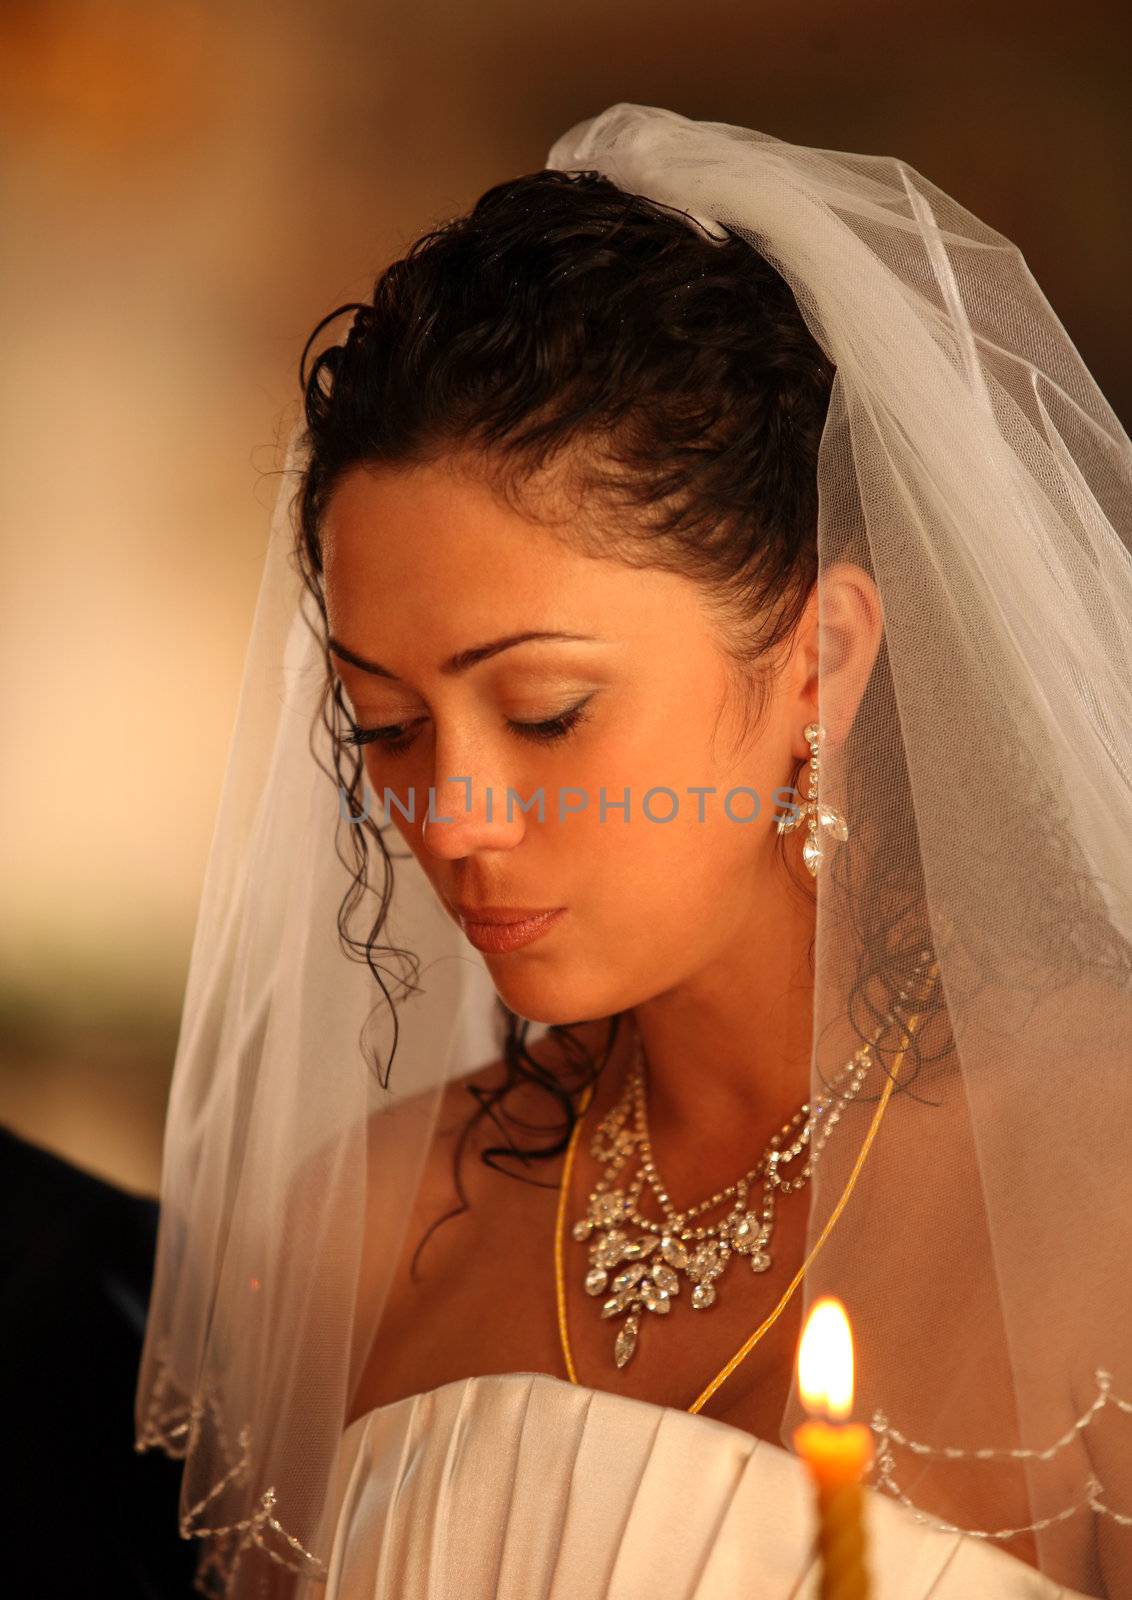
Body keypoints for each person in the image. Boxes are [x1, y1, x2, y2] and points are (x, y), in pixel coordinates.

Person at [135, 104, 1132, 1599]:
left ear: (822, 662)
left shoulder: (1102, 1187)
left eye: (545, 713)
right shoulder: (366, 1229)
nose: (450, 816)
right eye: (386, 727)